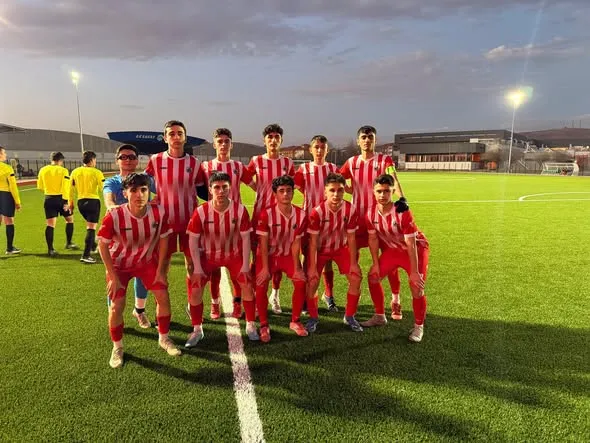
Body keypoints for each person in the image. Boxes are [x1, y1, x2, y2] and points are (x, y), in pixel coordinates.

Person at [97, 173, 181, 368]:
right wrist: (112, 276)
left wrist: (161, 269)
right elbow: (102, 245)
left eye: (143, 190)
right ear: (125, 193)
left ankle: (164, 338)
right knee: (116, 306)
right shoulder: (115, 215)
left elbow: (164, 239)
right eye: (133, 190)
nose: (139, 194)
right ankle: (117, 347)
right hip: (119, 266)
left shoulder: (158, 212)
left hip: (146, 263)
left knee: (163, 296)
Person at [338, 125, 409, 326]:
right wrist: (351, 190)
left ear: (374, 140)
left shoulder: (384, 161)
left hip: (381, 220)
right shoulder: (351, 162)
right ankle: (355, 295)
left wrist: (402, 198)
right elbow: (340, 181)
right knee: (353, 258)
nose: (367, 140)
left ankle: (395, 299)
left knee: (389, 258)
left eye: (370, 137)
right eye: (363, 137)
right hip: (358, 219)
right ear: (358, 141)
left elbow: (394, 180)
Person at [185, 172, 258, 347]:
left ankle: (250, 324)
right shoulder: (201, 211)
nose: (221, 191)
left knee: (247, 285)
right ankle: (197, 330)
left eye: (224, 187)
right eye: (216, 187)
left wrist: (245, 265)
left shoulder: (239, 210)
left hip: (233, 255)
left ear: (230, 188)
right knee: (195, 289)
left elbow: (246, 238)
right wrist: (197, 267)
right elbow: (193, 240)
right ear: (210, 190)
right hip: (208, 256)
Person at [145, 120, 205, 311]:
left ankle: (192, 304)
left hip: (190, 222)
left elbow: (203, 190)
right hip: (164, 224)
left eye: (180, 133)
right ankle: (162, 307)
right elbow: (145, 185)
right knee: (163, 266)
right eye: (171, 134)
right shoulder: (155, 160)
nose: (176, 137)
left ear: (185, 137)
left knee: (192, 265)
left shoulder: (195, 163)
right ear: (165, 138)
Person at [366, 174, 429, 342]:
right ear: (373, 192)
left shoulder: (402, 211)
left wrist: (414, 272)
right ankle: (379, 316)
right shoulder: (370, 213)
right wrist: (375, 263)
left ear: (393, 191)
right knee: (373, 276)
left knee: (416, 286)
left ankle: (418, 326)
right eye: (379, 191)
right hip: (394, 250)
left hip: (415, 250)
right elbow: (373, 239)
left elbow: (411, 243)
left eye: (387, 191)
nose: (382, 195)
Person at [200, 128, 254, 320]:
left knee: (236, 269)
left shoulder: (239, 166)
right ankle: (215, 303)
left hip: (235, 224)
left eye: (226, 141)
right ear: (214, 144)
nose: (223, 144)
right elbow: (196, 188)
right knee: (214, 270)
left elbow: (256, 186)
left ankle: (237, 303)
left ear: (232, 144)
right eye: (220, 141)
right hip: (212, 226)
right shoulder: (205, 166)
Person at [103, 143, 155, 328]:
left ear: (137, 160)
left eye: (132, 157)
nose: (128, 160)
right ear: (117, 160)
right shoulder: (112, 182)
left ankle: (139, 311)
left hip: (142, 237)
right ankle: (113, 314)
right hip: (118, 239)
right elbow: (108, 198)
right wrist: (113, 207)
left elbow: (163, 194)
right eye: (123, 157)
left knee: (142, 276)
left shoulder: (145, 179)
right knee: (114, 279)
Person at [246, 124, 295, 315]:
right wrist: (257, 188)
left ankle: (274, 295)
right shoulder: (256, 160)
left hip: (281, 219)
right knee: (256, 257)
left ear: (281, 140)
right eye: (270, 137)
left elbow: (293, 184)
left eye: (276, 137)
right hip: (259, 216)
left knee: (278, 257)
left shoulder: (287, 163)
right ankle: (253, 294)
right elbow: (245, 177)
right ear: (264, 140)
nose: (273, 140)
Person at [307, 173, 363, 332]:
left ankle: (349, 316)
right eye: (332, 190)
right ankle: (313, 317)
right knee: (312, 281)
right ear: (325, 191)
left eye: (340, 190)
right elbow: (313, 242)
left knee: (356, 277)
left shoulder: (350, 209)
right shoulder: (317, 212)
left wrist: (354, 263)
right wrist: (312, 268)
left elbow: (351, 238)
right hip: (320, 250)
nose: (336, 194)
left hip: (340, 249)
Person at [255, 175, 307, 342]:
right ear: (275, 194)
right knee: (261, 284)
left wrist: (297, 268)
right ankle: (264, 324)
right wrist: (264, 268)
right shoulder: (266, 214)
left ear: (293, 192)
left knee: (301, 281)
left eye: (289, 190)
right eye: (281, 191)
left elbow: (296, 243)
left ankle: (295, 321)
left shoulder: (301, 214)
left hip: (288, 255)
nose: (285, 194)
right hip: (268, 256)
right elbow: (263, 243)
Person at [294, 135, 339, 311]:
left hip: (329, 221)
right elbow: (299, 188)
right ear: (310, 150)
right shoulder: (304, 169)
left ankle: (328, 295)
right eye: (316, 147)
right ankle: (307, 296)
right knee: (307, 258)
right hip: (308, 220)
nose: (319, 150)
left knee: (327, 259)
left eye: (322, 147)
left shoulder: (333, 169)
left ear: (327, 150)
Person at [37, 152, 78, 256]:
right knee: (69, 220)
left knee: (50, 224)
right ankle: (69, 243)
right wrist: (67, 201)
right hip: (61, 199)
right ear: (60, 160)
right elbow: (66, 187)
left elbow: (40, 186)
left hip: (49, 198)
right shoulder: (63, 170)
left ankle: (50, 249)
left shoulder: (43, 170)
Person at [70, 151, 105, 264]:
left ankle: (93, 246)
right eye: (95, 160)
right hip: (93, 202)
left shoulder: (75, 171)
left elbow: (70, 189)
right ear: (91, 160)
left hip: (81, 202)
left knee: (89, 226)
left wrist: (71, 202)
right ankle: (86, 255)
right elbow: (103, 188)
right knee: (91, 228)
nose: (95, 162)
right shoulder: (97, 172)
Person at [0, 146, 22, 254]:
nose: (6, 155)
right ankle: (9, 248)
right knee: (9, 221)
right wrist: (17, 202)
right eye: (4, 153)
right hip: (5, 195)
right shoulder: (7, 168)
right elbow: (13, 186)